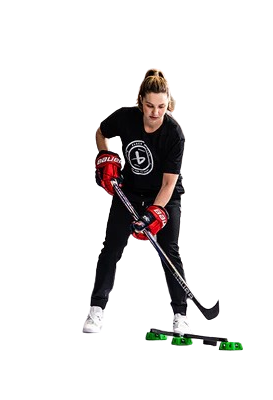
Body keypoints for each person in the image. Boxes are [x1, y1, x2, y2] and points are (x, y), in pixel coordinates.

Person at [83, 68, 192, 335]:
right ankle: (96, 309)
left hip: (163, 197)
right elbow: (100, 133)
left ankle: (181, 316)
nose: (155, 112)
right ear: (141, 100)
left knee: (169, 252)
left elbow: (168, 184)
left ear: (169, 104)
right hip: (129, 192)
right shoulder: (125, 118)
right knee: (111, 249)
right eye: (150, 105)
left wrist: (155, 212)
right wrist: (105, 157)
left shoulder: (174, 133)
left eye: (162, 107)